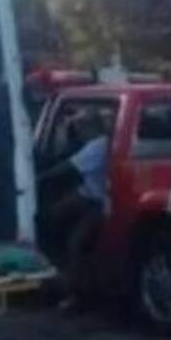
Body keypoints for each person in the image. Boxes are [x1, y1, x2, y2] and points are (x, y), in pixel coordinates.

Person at [40, 110, 112, 308]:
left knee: (76, 241)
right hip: (88, 193)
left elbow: (68, 167)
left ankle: (75, 292)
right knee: (50, 216)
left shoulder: (97, 145)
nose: (77, 132)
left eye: (79, 128)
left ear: (90, 127)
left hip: (99, 202)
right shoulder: (100, 143)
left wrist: (41, 177)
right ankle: (54, 270)